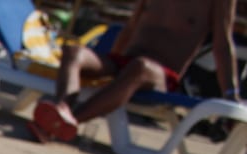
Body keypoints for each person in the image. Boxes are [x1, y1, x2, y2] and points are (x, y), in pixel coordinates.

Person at [29, 0, 241, 143]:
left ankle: (67, 122)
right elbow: (131, 27)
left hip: (162, 74)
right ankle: (62, 108)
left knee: (139, 67)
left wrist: (231, 94)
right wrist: (109, 70)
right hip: (126, 61)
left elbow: (223, 46)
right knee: (73, 52)